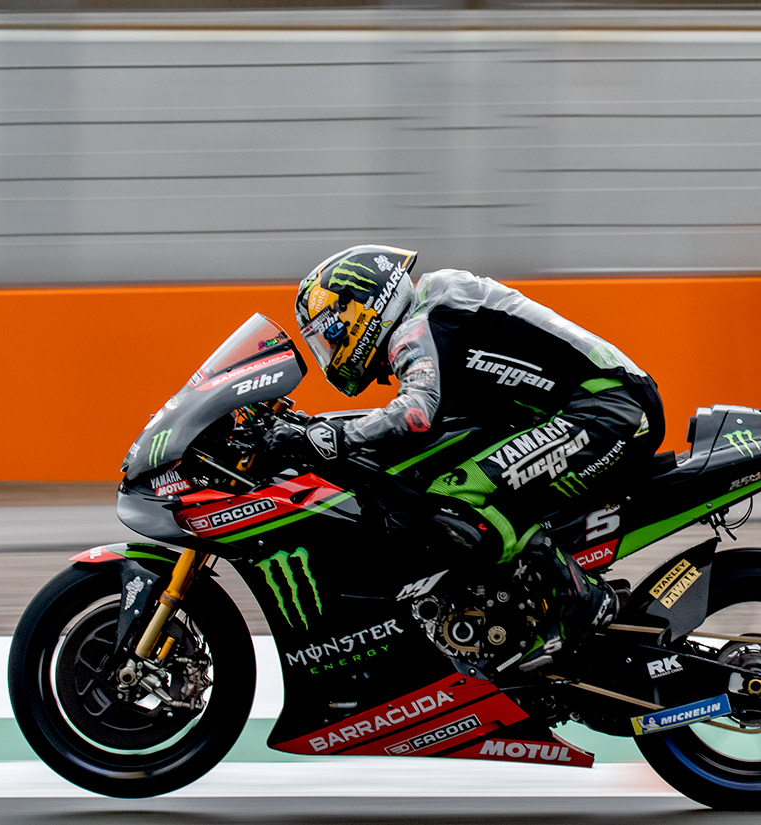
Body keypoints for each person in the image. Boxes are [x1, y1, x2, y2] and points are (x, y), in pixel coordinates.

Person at [271, 244, 666, 672]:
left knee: (459, 493)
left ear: (363, 307)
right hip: (597, 406)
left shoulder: (417, 326)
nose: (331, 348)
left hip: (605, 408)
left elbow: (416, 412)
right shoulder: (436, 308)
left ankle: (583, 600)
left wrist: (335, 436)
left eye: (332, 333)